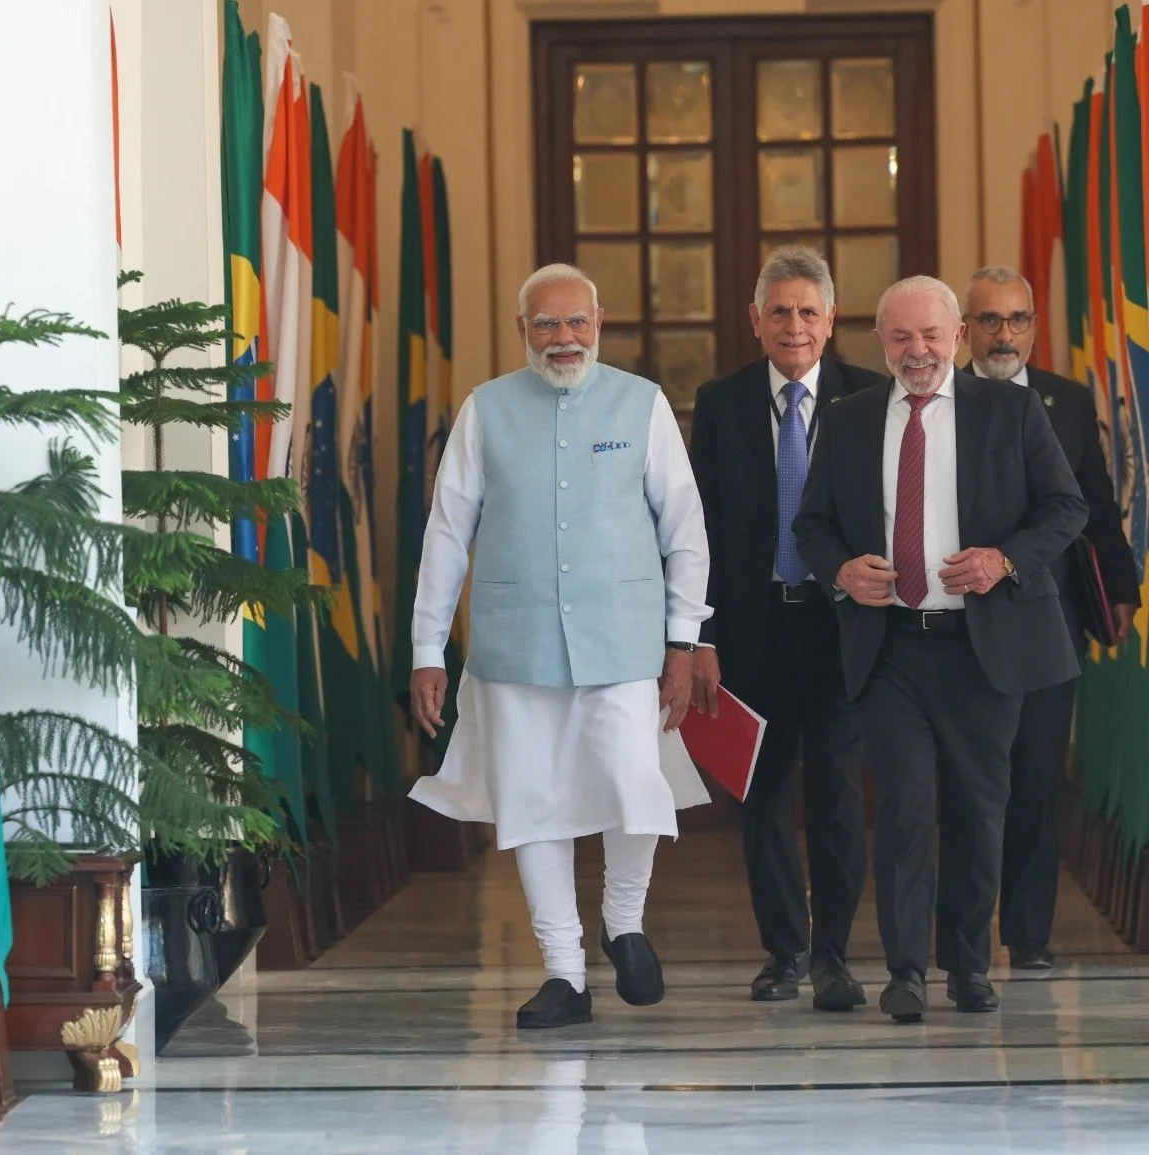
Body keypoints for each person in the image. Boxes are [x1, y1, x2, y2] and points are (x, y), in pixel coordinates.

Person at [407, 263, 712, 1030]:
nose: (564, 337)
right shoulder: (486, 409)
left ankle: (624, 921)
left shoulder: (642, 404)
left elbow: (685, 531)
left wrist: (683, 639)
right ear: (524, 330)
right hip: (516, 642)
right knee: (532, 804)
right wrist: (427, 648)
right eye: (547, 323)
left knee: (634, 783)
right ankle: (564, 972)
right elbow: (446, 532)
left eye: (577, 321)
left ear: (599, 323)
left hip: (624, 639)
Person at [793, 275, 1087, 1022]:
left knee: (978, 812)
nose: (916, 350)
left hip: (982, 649)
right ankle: (905, 971)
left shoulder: (1011, 410)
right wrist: (840, 570)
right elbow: (812, 523)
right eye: (900, 337)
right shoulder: (850, 418)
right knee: (903, 811)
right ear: (879, 341)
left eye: (930, 335)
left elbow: (1066, 506)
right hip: (890, 648)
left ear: (957, 337)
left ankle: (967, 965)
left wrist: (1005, 560)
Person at [689, 247, 879, 1009]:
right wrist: (700, 635)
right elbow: (699, 526)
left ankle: (833, 954)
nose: (793, 325)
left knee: (836, 796)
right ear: (755, 320)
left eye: (807, 311)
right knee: (762, 798)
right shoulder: (721, 402)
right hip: (752, 629)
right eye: (779, 311)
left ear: (830, 320)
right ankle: (784, 952)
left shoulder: (869, 397)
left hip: (842, 630)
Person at [961, 266, 1140, 970]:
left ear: (1034, 327)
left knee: (1037, 776)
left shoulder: (1067, 401)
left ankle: (1028, 934)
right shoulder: (939, 400)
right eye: (990, 320)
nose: (1004, 333)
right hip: (962, 620)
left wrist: (1120, 588)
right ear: (966, 330)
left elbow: (1094, 503)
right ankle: (960, 932)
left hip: (1048, 620)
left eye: (1017, 319)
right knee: (969, 783)